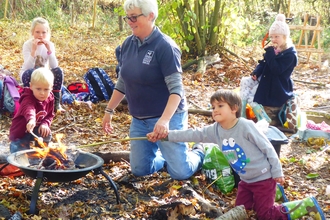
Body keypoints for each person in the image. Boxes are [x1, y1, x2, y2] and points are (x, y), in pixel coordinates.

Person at [147, 90, 325, 220]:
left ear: (234, 109)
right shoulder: (215, 130)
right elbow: (193, 134)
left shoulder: (245, 126)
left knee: (265, 215)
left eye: (220, 106)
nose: (215, 109)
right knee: (241, 210)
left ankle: (306, 206)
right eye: (213, 106)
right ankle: (274, 195)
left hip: (264, 178)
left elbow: (267, 148)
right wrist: (167, 135)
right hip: (246, 181)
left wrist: (277, 172)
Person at [101, 0, 204, 180]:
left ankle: (200, 151)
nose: (130, 22)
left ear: (150, 16)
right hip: (140, 120)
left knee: (181, 173)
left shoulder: (165, 47)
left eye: (134, 17)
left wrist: (164, 121)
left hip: (168, 118)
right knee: (140, 170)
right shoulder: (127, 45)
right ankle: (167, 158)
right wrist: (109, 110)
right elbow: (123, 82)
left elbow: (176, 91)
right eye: (128, 18)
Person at [240, 14, 298, 123]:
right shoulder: (274, 50)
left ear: (285, 37)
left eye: (277, 37)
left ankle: (264, 118)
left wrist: (270, 54)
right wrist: (257, 72)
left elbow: (276, 70)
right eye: (272, 37)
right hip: (265, 79)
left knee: (252, 97)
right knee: (245, 82)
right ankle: (241, 114)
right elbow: (264, 63)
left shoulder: (290, 55)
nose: (273, 39)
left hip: (277, 86)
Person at [20, 17, 64, 113]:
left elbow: (54, 66)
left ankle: (55, 103)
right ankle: (30, 104)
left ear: (47, 33)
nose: (40, 35)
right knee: (30, 72)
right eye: (37, 32)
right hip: (29, 73)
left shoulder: (50, 44)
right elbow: (27, 67)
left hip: (44, 74)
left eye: (43, 32)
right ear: (32, 32)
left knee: (58, 71)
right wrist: (33, 50)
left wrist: (49, 50)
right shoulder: (27, 45)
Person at [9, 68, 55, 153]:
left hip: (37, 129)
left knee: (45, 132)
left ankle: (41, 154)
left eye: (46, 89)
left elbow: (50, 115)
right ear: (31, 86)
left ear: (51, 88)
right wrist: (31, 119)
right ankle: (16, 157)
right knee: (19, 149)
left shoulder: (50, 98)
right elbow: (29, 108)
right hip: (21, 130)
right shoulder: (27, 97)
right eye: (38, 89)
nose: (42, 93)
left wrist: (45, 124)